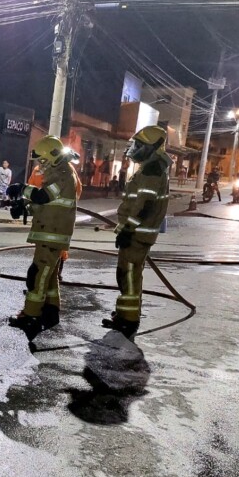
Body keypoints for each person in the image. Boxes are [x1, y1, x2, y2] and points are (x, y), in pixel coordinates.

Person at [102, 125, 171, 339]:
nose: (136, 148)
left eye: (140, 145)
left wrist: (129, 229)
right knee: (127, 274)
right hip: (136, 233)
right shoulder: (149, 167)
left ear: (154, 148)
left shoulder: (152, 170)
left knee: (129, 276)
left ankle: (129, 321)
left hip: (138, 234)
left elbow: (144, 205)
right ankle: (124, 315)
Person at [8, 136, 78, 341]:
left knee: (37, 275)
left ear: (53, 158)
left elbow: (43, 196)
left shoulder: (63, 175)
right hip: (51, 233)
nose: (40, 165)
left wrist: (22, 188)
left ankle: (30, 315)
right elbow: (46, 204)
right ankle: (50, 310)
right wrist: (25, 207)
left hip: (52, 235)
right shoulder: (59, 173)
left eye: (43, 161)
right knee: (50, 275)